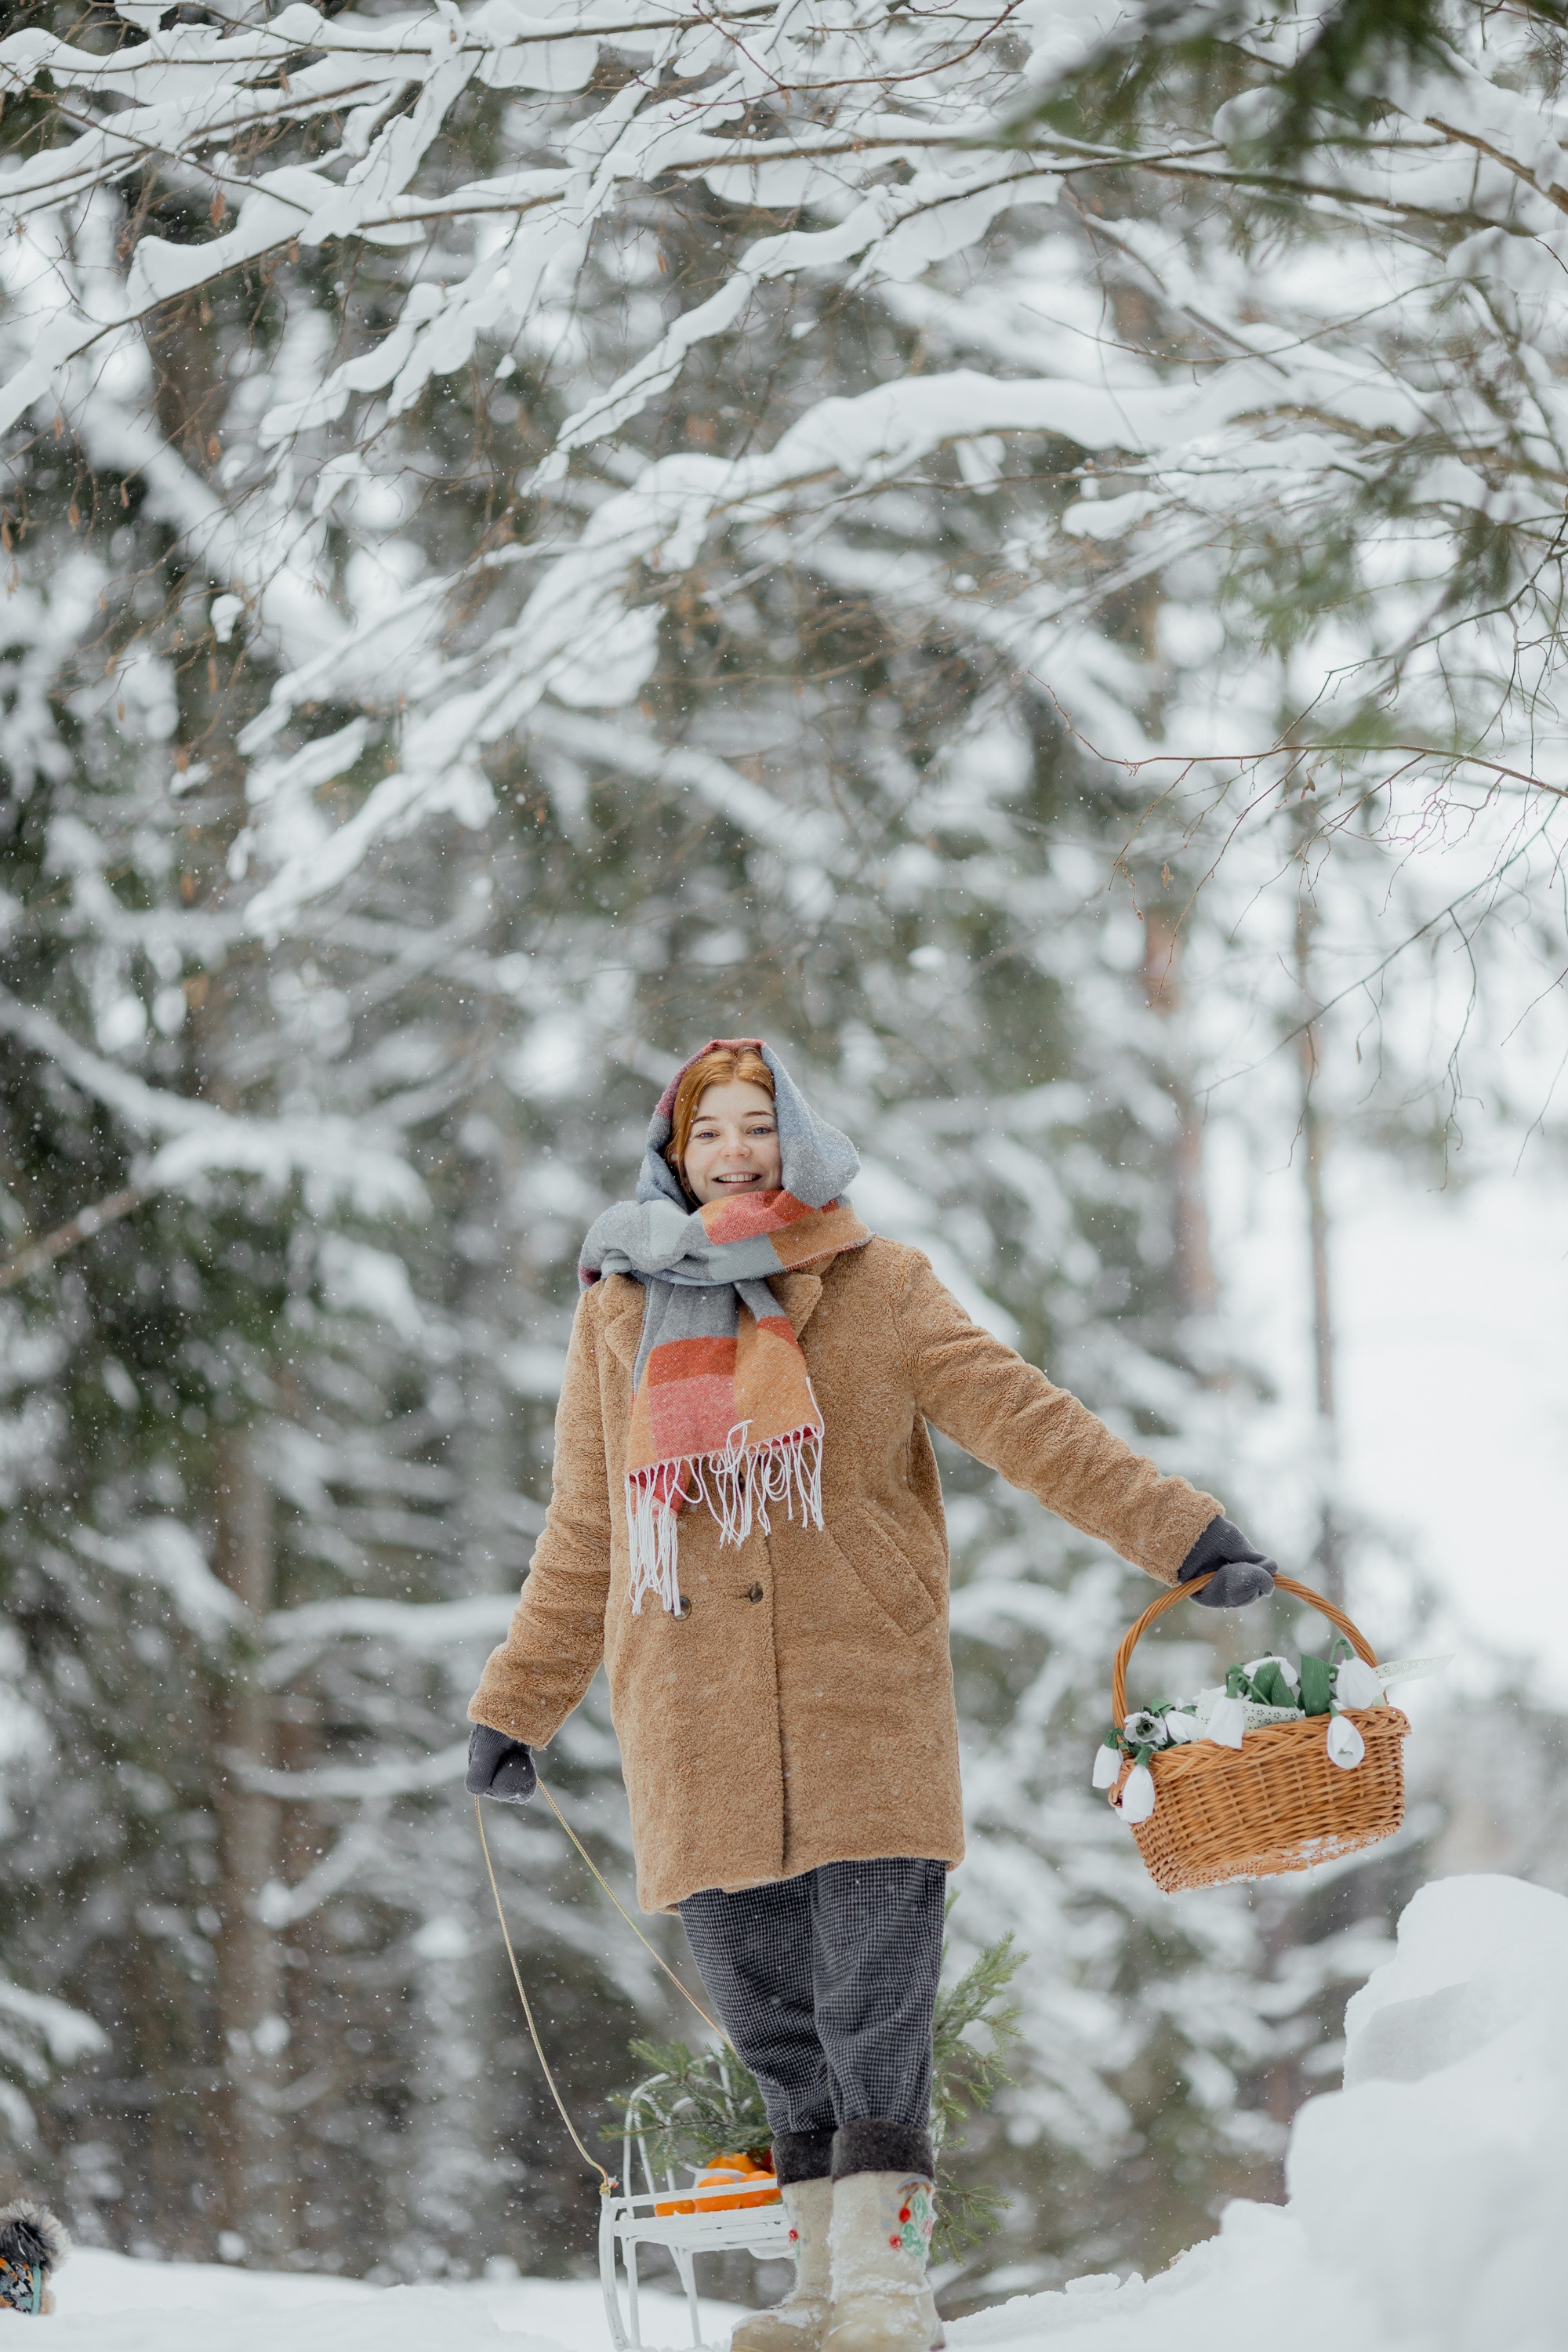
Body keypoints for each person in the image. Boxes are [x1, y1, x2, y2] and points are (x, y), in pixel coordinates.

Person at [466, 1040, 1275, 2352]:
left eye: (758, 1126)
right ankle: (822, 2291)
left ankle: (891, 2287)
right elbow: (587, 1528)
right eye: (709, 1131)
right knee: (772, 2018)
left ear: (802, 1140)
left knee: (872, 2003)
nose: (734, 1151)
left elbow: (1028, 1420)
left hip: (862, 1702)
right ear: (676, 1152)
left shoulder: (879, 1287)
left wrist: (1185, 1533)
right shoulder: (616, 1309)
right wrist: (517, 1704)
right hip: (692, 1714)